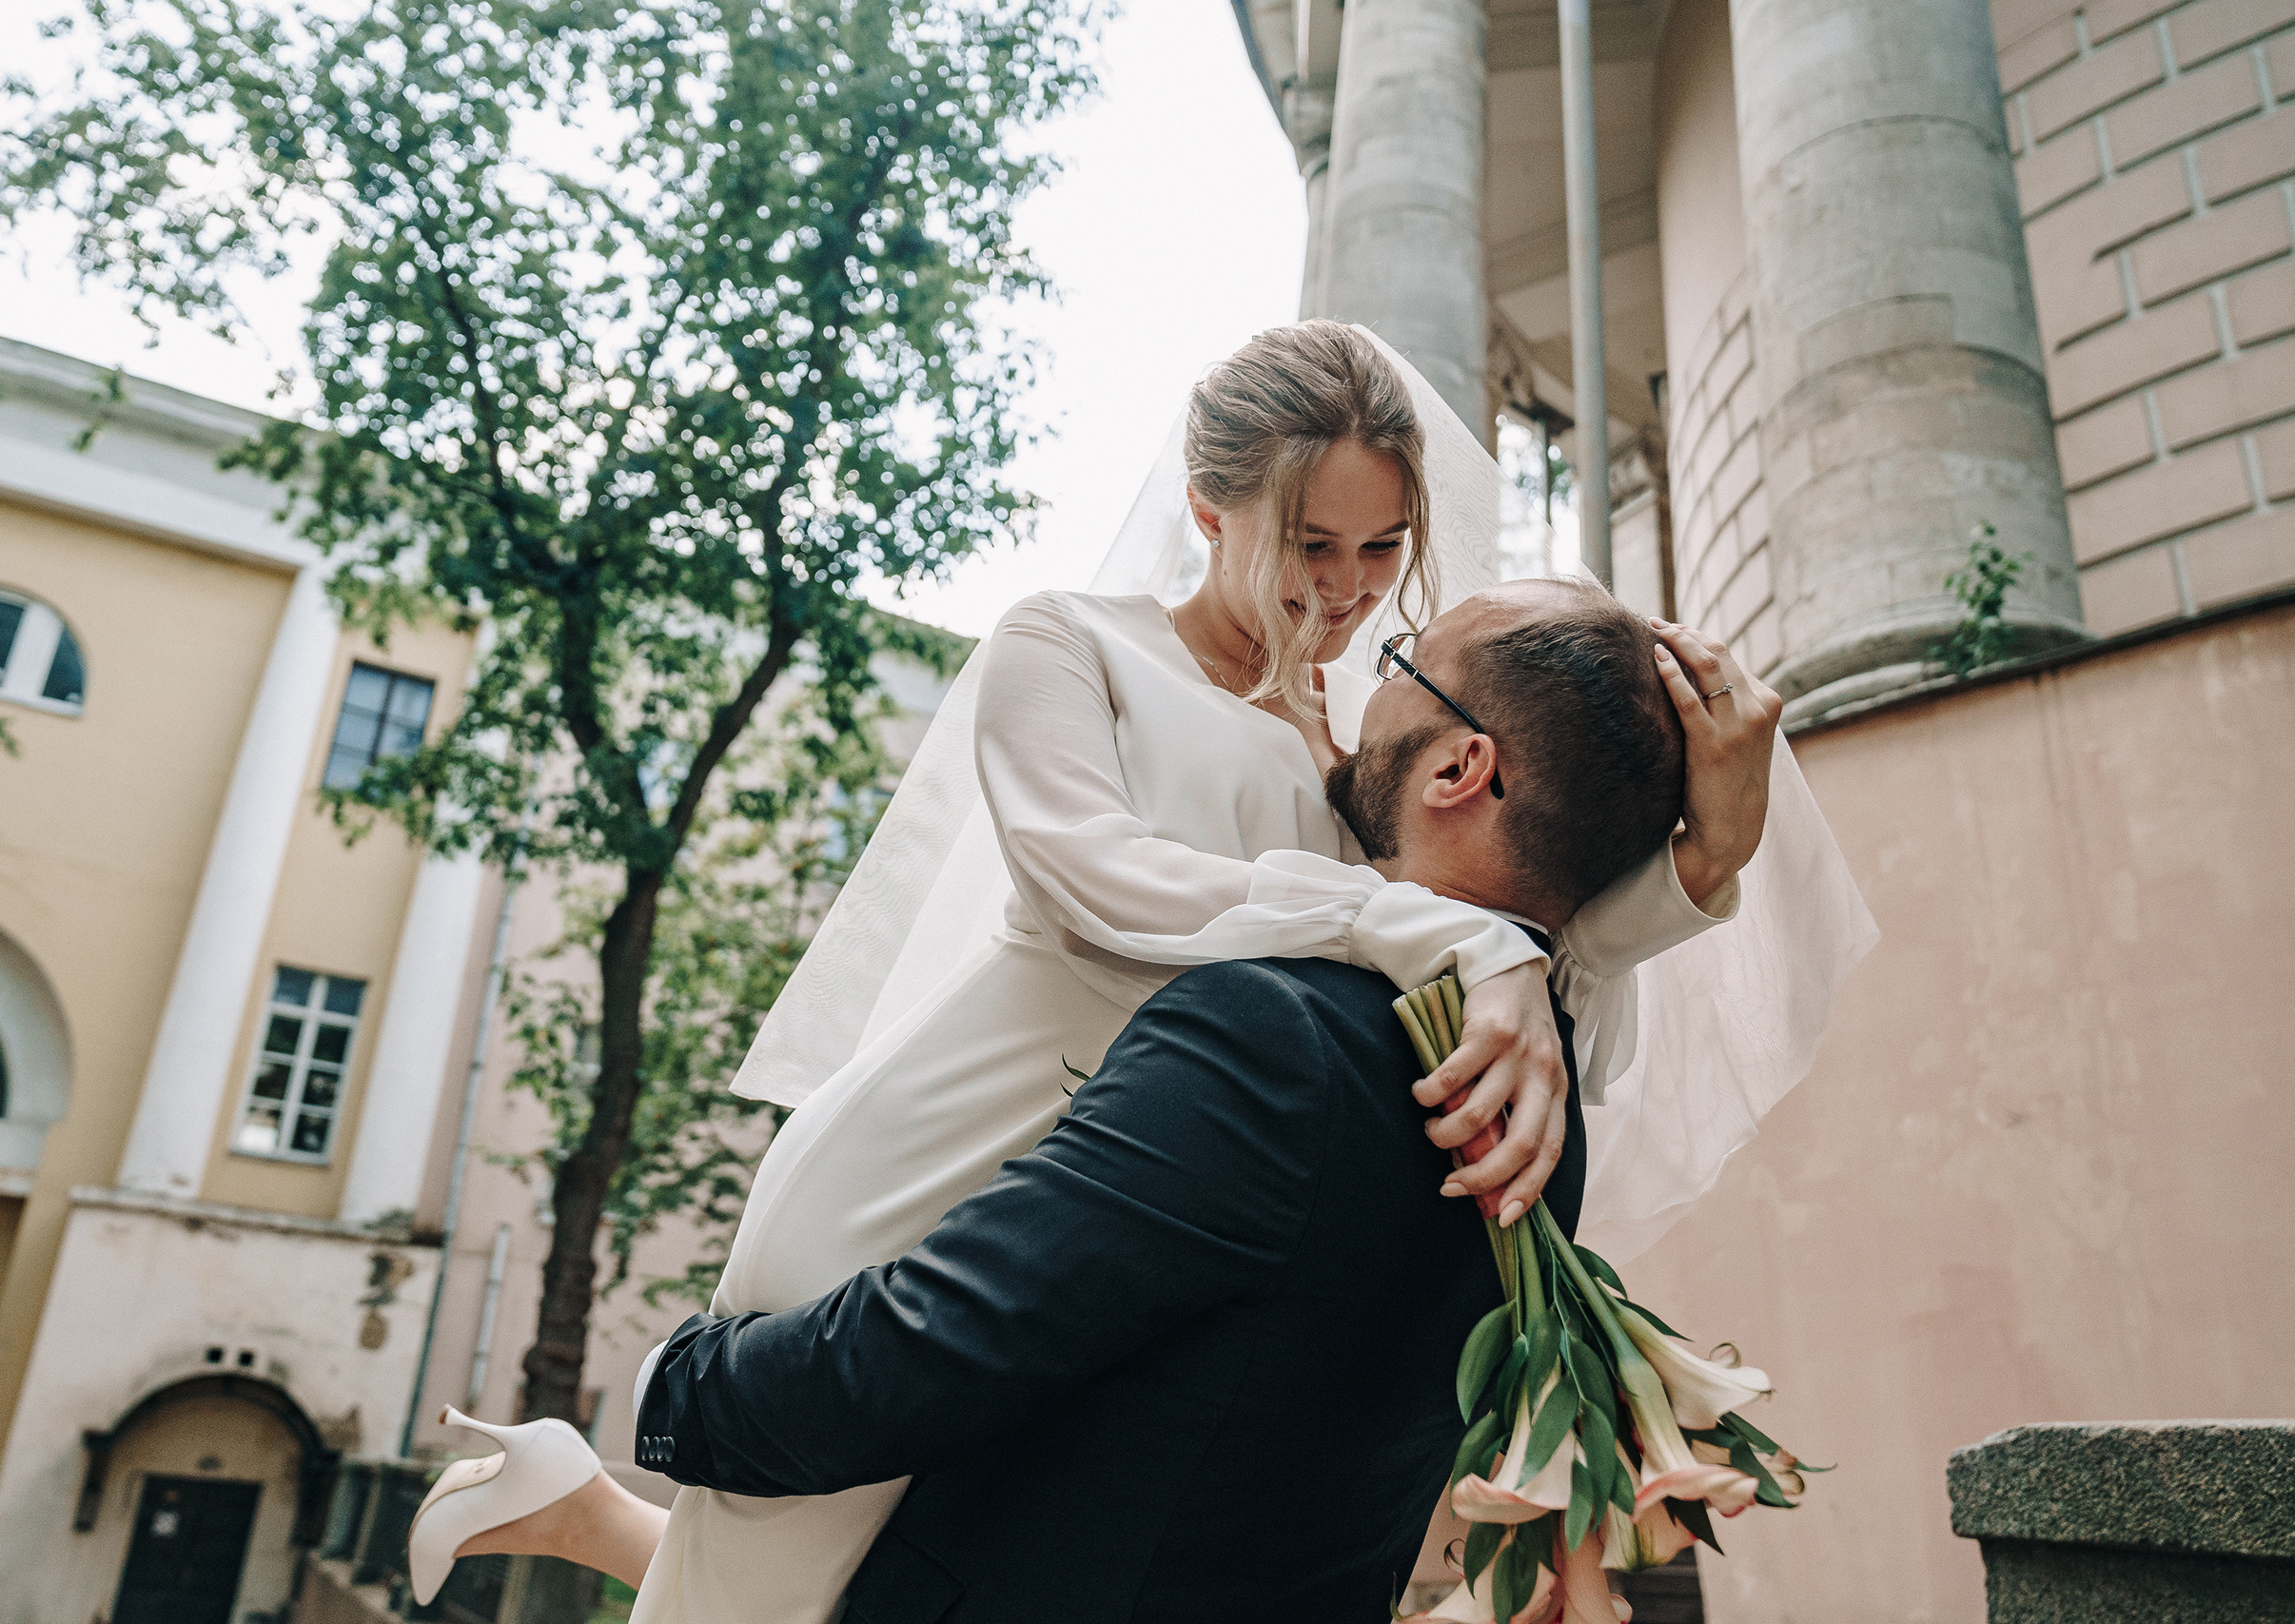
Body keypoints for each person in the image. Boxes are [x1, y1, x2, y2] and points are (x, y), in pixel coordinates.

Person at [404, 323, 1870, 1616]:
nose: (1350, 589)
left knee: (873, 1574)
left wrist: (1696, 869)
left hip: (1109, 1193)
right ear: (1207, 507)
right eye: (1312, 544)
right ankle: (571, 1492)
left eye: (1383, 547)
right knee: (763, 1589)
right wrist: (1430, 932)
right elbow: (1097, 881)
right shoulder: (1069, 646)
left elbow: (1492, 915)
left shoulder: (1354, 738)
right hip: (937, 1154)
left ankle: (564, 1495)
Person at [629, 575, 1696, 1622]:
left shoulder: (1274, 1038)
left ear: (1462, 767)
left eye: (1403, 668)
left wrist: (677, 1394)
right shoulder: (1548, 1118)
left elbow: (927, 1351)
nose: (1362, 695)